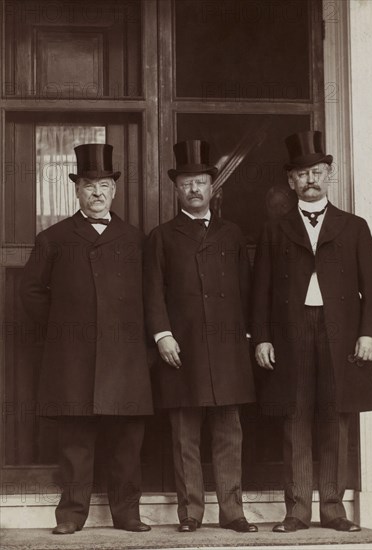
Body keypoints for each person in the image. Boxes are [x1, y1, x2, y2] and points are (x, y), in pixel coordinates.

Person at [252, 131, 372, 533]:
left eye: (317, 172)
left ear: (330, 176)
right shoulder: (275, 228)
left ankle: (332, 508)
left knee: (335, 417)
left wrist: (369, 334)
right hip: (291, 333)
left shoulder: (354, 226)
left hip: (340, 333)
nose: (310, 180)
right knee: (294, 417)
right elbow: (261, 288)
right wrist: (261, 337)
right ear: (291, 181)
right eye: (302, 174)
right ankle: (296, 511)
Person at [20, 144, 153, 535]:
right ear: (77, 191)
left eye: (105, 185)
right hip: (73, 359)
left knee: (127, 442)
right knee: (75, 441)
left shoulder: (135, 239)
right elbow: (31, 292)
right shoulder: (54, 238)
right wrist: (63, 331)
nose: (97, 193)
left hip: (126, 359)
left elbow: (153, 295)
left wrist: (146, 347)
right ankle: (72, 516)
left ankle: (127, 514)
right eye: (89, 185)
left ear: (114, 191)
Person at [144, 140, 257, 533]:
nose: (194, 190)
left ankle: (233, 512)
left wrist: (248, 335)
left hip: (227, 349)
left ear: (214, 188)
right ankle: (191, 513)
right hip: (182, 347)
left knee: (229, 433)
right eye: (187, 183)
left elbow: (248, 289)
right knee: (184, 436)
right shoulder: (162, 236)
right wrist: (162, 336)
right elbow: (152, 291)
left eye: (201, 182)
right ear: (177, 189)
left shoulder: (232, 234)